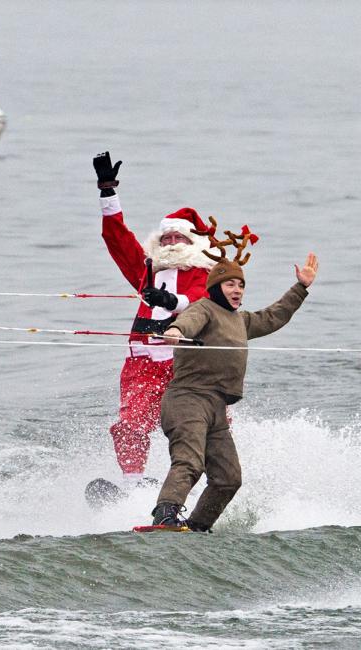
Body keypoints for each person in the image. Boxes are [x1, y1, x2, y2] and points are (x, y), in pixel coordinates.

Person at [150, 222, 318, 532]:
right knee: (190, 463)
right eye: (230, 285)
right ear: (216, 288)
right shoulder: (205, 308)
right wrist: (175, 331)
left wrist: (301, 288)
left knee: (229, 478)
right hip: (188, 399)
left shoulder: (241, 320)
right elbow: (188, 321)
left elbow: (274, 316)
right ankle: (165, 515)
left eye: (241, 286)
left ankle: (197, 526)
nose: (237, 290)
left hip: (217, 409)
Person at [94, 151, 213, 488]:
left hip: (187, 364)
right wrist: (107, 191)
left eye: (179, 238)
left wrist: (172, 301)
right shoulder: (147, 271)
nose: (172, 243)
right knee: (128, 426)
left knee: (197, 426)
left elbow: (203, 302)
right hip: (142, 365)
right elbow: (117, 240)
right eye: (167, 238)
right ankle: (131, 487)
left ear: (194, 244)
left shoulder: (208, 273)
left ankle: (202, 484)